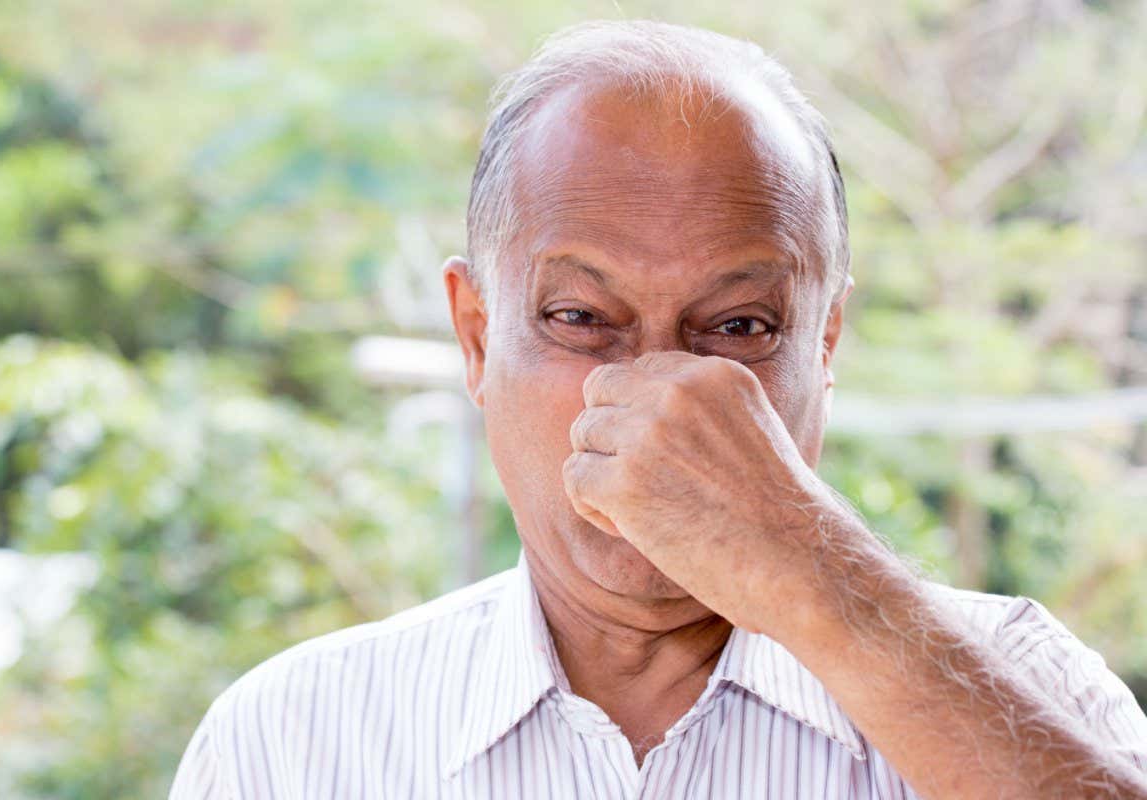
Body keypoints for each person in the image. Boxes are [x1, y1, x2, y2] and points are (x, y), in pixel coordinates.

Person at [169, 19, 1147, 799]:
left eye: (738, 326)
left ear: (828, 343)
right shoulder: (292, 740)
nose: (664, 399)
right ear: (474, 336)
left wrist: (813, 569)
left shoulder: (1021, 685)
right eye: (580, 316)